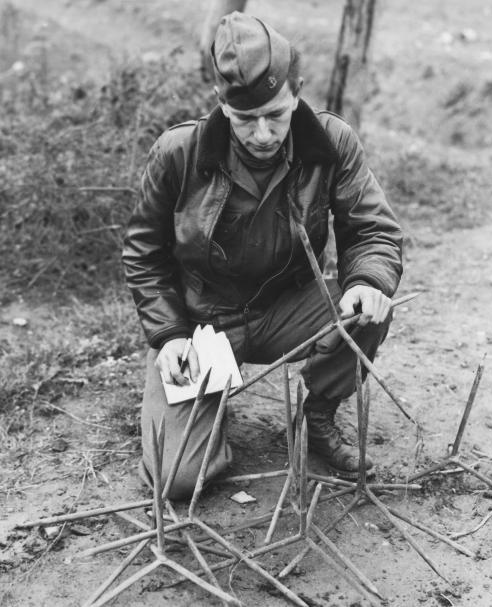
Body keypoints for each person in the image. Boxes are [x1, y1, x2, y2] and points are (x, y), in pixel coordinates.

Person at [123, 12, 403, 500]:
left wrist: (367, 282)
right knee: (179, 482)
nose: (263, 134)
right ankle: (209, 403)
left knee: (365, 310)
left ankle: (316, 418)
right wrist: (168, 334)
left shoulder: (332, 142)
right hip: (202, 327)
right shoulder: (178, 153)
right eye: (245, 119)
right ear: (220, 104)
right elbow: (143, 252)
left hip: (287, 310)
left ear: (296, 92)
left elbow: (372, 229)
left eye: (276, 114)